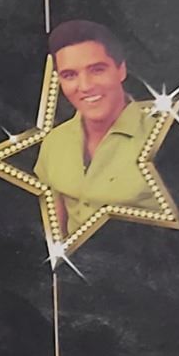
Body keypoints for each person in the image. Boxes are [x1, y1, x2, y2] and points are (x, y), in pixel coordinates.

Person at [33, 20, 158, 237]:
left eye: (97, 70)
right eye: (70, 75)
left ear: (121, 70)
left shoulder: (162, 136)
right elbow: (55, 234)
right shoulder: (54, 142)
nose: (85, 86)